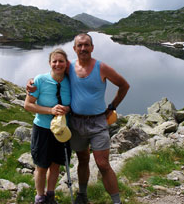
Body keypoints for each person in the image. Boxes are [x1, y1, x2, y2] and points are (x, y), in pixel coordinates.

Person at [28, 33, 130, 204]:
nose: (83, 48)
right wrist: (32, 83)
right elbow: (54, 71)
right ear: (74, 49)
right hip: (75, 122)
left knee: (103, 163)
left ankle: (116, 201)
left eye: (86, 45)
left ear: (92, 47)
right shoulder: (70, 67)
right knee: (83, 159)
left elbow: (124, 85)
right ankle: (82, 196)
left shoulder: (101, 67)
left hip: (98, 122)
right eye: (79, 45)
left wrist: (112, 107)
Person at [24, 48, 71, 204]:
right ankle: (40, 197)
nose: (58, 64)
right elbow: (28, 105)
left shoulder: (70, 81)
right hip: (43, 129)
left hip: (61, 130)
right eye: (54, 61)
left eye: (61, 61)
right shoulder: (39, 80)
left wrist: (67, 109)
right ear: (49, 63)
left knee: (56, 164)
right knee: (41, 166)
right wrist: (50, 110)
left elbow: (73, 103)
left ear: (66, 63)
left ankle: (50, 195)